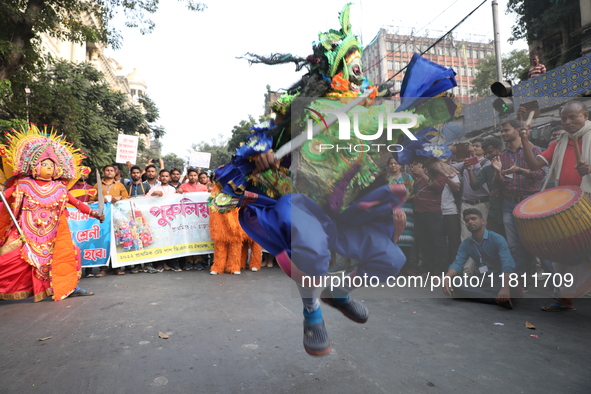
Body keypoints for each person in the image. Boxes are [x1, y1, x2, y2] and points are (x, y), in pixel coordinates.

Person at [0, 125, 104, 302]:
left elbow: (77, 203)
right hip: (24, 233)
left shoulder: (60, 188)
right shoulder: (24, 184)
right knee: (8, 260)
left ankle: (70, 287)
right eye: (45, 164)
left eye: (52, 165)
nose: (48, 168)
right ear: (35, 166)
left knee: (71, 254)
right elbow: (4, 197)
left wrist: (94, 214)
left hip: (53, 236)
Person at [520, 100, 591, 311]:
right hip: (567, 208)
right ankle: (566, 299)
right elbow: (534, 165)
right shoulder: (559, 142)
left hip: (588, 205)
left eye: (573, 117)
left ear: (585, 116)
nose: (568, 122)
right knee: (565, 257)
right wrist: (525, 139)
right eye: (564, 119)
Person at [492, 119, 545, 286]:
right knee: (514, 246)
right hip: (509, 204)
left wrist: (520, 170)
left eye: (506, 130)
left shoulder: (535, 150)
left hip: (531, 203)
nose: (503, 133)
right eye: (502, 131)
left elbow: (540, 174)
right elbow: (498, 183)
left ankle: (556, 284)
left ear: (517, 130)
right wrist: (498, 172)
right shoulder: (501, 156)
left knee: (539, 244)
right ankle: (519, 283)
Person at [442, 209, 516, 309]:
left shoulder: (497, 239)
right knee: (455, 281)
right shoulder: (466, 244)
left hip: (501, 279)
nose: (470, 222)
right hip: (483, 279)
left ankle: (481, 295)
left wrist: (505, 287)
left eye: (473, 218)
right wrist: (446, 277)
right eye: (467, 220)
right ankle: (495, 299)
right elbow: (457, 264)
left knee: (509, 284)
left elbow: (507, 264)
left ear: (482, 221)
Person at [412, 162, 449, 274]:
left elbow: (438, 188)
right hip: (419, 211)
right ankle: (428, 268)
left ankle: (441, 269)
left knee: (438, 242)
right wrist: (415, 177)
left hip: (433, 211)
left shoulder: (440, 172)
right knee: (424, 242)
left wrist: (423, 175)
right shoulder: (422, 169)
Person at [451, 139, 491, 241]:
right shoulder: (465, 163)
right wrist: (450, 155)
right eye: (473, 146)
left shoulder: (487, 163)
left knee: (482, 234)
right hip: (466, 204)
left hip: (482, 203)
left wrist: (473, 158)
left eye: (477, 146)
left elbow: (479, 178)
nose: (474, 148)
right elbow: (450, 168)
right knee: (465, 236)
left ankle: (482, 257)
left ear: (484, 149)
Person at [467, 137, 505, 237]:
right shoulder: (487, 169)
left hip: (508, 208)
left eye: (490, 152)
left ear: (499, 149)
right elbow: (475, 186)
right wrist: (469, 171)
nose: (488, 155)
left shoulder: (509, 164)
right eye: (486, 153)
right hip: (494, 212)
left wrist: (501, 191)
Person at [146, 169, 182, 272]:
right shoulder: (154, 188)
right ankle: (160, 264)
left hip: (171, 219)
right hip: (157, 220)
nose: (164, 178)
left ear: (169, 178)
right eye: (163, 176)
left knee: (171, 241)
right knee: (160, 241)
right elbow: (144, 201)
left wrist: (180, 194)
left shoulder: (172, 189)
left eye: (166, 176)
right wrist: (154, 194)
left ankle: (172, 262)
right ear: (159, 177)